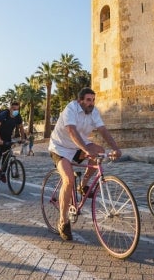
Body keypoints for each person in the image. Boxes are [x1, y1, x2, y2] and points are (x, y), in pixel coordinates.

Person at [48, 87, 121, 241]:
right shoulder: (70, 109)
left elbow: (103, 130)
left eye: (93, 100)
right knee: (68, 180)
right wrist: (85, 150)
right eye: (88, 100)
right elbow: (71, 131)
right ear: (79, 100)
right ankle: (63, 221)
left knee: (99, 151)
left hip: (78, 145)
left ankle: (84, 185)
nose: (91, 103)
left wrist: (115, 148)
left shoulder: (94, 112)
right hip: (59, 147)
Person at [0, 101, 26, 182]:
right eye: (14, 109)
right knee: (1, 148)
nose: (15, 111)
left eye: (17, 109)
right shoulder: (3, 115)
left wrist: (23, 138)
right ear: (10, 108)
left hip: (8, 135)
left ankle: (3, 173)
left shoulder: (17, 116)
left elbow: (21, 127)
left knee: (7, 153)